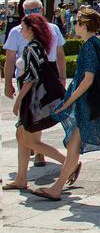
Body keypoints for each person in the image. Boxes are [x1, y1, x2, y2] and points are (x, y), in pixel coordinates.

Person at [33, 7, 100, 202]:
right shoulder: (95, 44)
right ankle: (56, 189)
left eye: (76, 22)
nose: (74, 26)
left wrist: (69, 101)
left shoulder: (90, 46)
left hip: (90, 106)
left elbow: (88, 79)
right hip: (89, 107)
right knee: (74, 148)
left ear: (84, 25)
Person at [3, 13, 73, 192]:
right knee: (22, 137)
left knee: (29, 140)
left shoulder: (32, 47)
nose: (21, 31)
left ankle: (69, 163)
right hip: (33, 97)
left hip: (32, 98)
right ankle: (21, 178)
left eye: (23, 28)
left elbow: (31, 77)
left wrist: (18, 100)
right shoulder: (38, 45)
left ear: (31, 29)